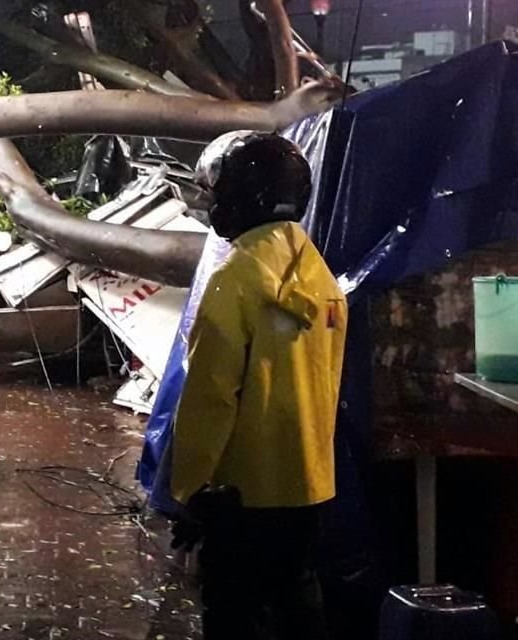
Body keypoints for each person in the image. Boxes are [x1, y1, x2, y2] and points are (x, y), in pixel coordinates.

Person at [169, 132, 347, 640]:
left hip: (240, 494)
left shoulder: (236, 279)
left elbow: (210, 398)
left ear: (242, 198)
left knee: (232, 613)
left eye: (218, 192)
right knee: (297, 607)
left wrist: (191, 487)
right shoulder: (318, 276)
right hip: (311, 483)